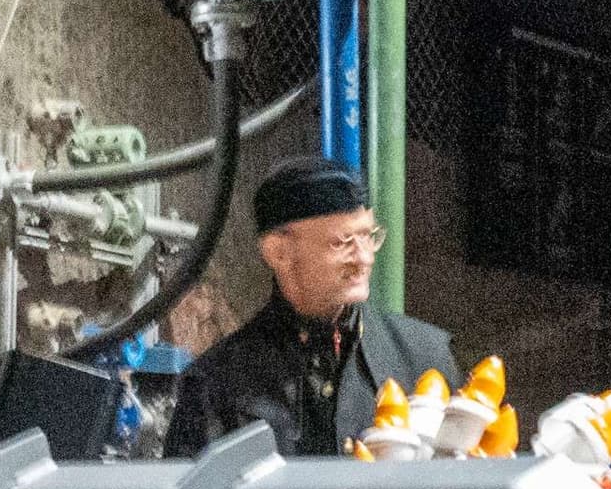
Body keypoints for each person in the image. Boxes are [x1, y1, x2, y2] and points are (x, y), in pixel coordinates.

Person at [160, 158, 456, 459]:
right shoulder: (216, 385)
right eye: (342, 242)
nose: (364, 258)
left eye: (368, 236)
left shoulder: (425, 360)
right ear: (278, 252)